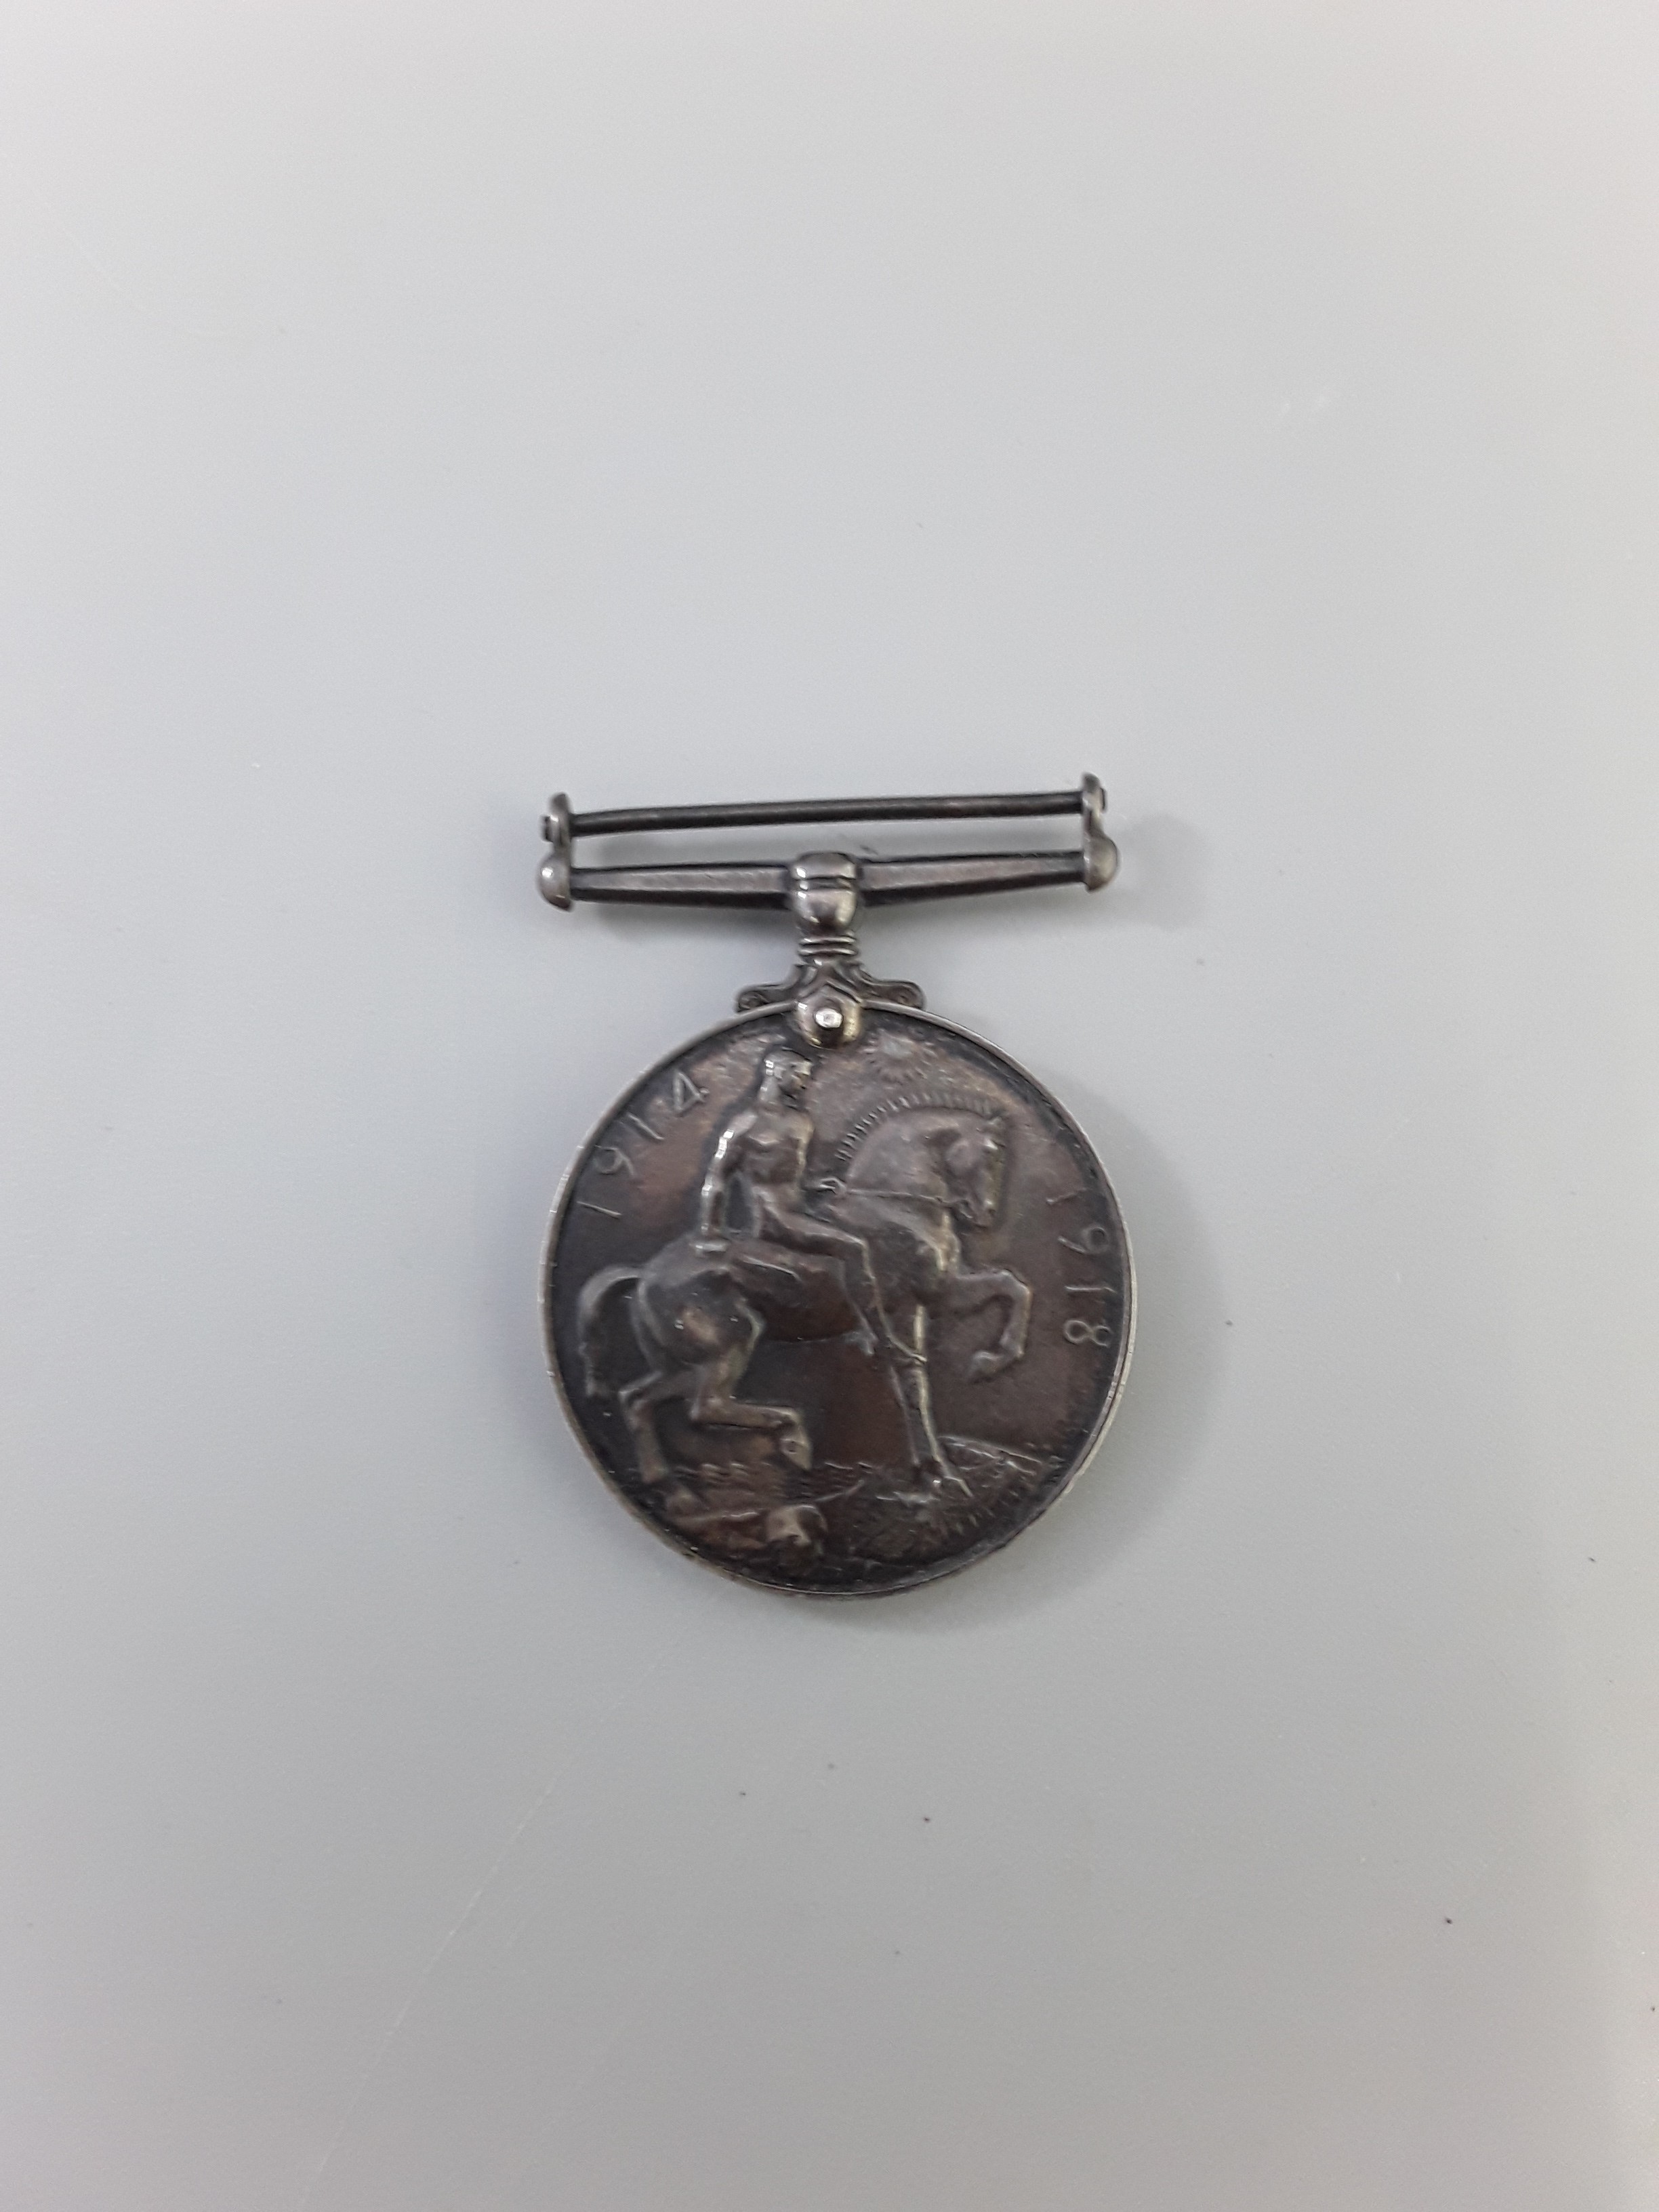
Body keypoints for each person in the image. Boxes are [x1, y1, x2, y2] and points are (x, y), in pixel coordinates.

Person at [693, 1049, 914, 1363]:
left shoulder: (800, 1122)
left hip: (799, 1208)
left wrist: (818, 1184)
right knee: (855, 1248)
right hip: (776, 1219)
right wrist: (710, 1231)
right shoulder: (746, 1124)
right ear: (779, 1073)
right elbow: (717, 1179)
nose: (805, 1083)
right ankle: (882, 1338)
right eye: (800, 1076)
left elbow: (793, 1174)